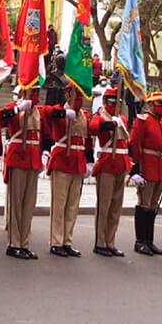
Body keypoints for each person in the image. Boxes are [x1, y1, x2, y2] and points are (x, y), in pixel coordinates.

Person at [40, 83, 93, 258]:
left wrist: (89, 160)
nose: (79, 99)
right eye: (75, 95)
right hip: (62, 160)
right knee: (59, 205)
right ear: (67, 95)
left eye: (80, 96)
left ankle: (67, 241)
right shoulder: (59, 110)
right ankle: (56, 241)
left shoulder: (84, 115)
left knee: (72, 206)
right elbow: (43, 111)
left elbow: (88, 139)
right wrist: (63, 113)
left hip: (77, 162)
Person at [0, 84, 45, 260]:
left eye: (37, 92)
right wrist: (19, 108)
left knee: (28, 205)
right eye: (33, 91)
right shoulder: (14, 108)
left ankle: (24, 243)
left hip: (32, 161)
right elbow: (1, 118)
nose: (36, 95)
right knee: (16, 203)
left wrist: (45, 153)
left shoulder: (37, 111)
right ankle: (14, 243)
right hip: (18, 157)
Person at [128, 91, 162, 256]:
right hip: (147, 166)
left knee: (153, 205)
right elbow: (134, 143)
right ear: (151, 105)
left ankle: (149, 241)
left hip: (160, 167)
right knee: (145, 204)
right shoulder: (143, 120)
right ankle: (140, 241)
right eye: (160, 104)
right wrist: (135, 169)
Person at [88, 86, 129, 257]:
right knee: (104, 206)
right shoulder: (100, 116)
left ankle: (110, 241)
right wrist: (111, 123)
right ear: (104, 102)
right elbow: (93, 127)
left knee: (115, 208)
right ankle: (100, 242)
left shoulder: (122, 119)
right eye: (112, 102)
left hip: (120, 164)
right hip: (107, 165)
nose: (115, 105)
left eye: (117, 102)